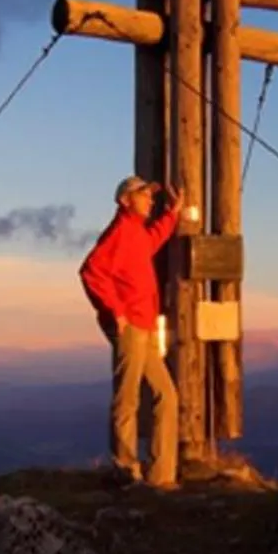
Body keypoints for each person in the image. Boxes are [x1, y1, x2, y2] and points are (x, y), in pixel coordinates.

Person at [79, 175, 186, 487]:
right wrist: (116, 312)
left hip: (146, 326)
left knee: (166, 396)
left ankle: (161, 476)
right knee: (128, 400)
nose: (150, 199)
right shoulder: (120, 231)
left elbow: (153, 239)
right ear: (125, 200)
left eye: (150, 194)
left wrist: (173, 214)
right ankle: (126, 470)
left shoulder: (136, 232)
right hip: (132, 328)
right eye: (143, 194)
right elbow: (91, 271)